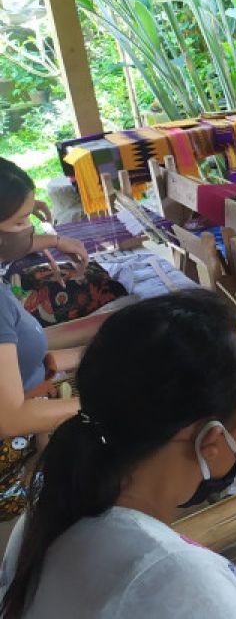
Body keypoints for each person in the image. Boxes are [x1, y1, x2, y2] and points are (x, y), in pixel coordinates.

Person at [0, 290, 236, 618]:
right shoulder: (183, 585)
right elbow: (169, 588)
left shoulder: (48, 510)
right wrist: (219, 598)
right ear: (211, 440)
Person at [0, 159, 109, 523]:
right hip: (10, 474)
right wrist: (101, 402)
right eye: (19, 221)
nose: (28, 230)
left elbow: (20, 346)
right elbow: (12, 418)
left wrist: (58, 240)